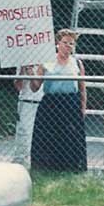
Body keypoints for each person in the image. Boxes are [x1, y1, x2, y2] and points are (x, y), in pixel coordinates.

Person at [29, 29, 87, 172]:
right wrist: (30, 73)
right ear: (57, 44)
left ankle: (71, 168)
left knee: (70, 136)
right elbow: (35, 87)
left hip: (70, 103)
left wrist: (83, 108)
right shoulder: (46, 62)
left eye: (71, 43)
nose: (68, 46)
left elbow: (82, 89)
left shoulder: (77, 63)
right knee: (48, 136)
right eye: (65, 42)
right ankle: (46, 168)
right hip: (50, 103)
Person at [12, 64, 43, 168]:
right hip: (26, 102)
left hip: (43, 102)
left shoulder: (46, 60)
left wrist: (32, 74)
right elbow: (18, 86)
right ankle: (20, 164)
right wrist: (22, 70)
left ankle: (40, 165)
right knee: (24, 134)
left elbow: (39, 86)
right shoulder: (22, 61)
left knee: (41, 136)